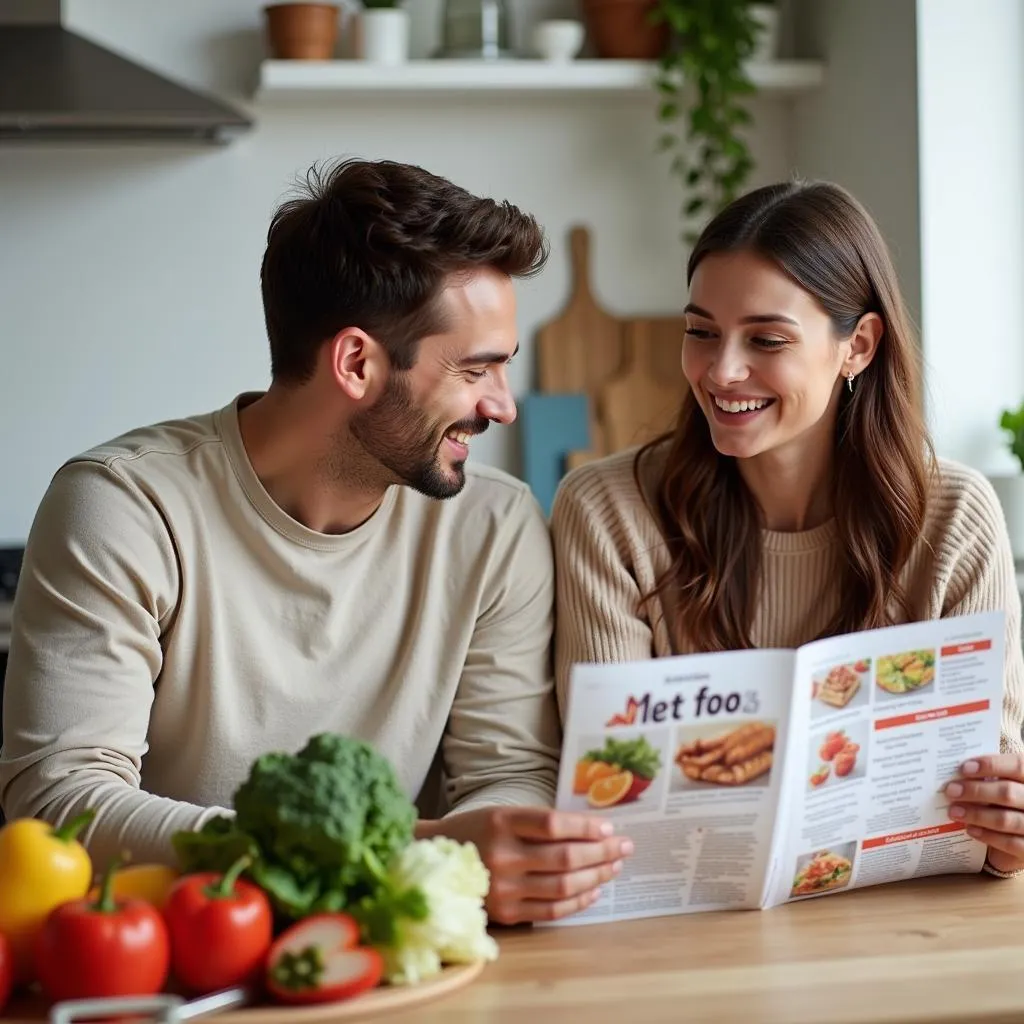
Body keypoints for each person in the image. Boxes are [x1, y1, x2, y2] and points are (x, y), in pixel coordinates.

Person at [0, 158, 632, 924]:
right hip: (173, 960)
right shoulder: (124, 506)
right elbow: (63, 806)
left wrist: (499, 848)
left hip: (397, 959)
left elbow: (508, 773)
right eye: (476, 370)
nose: (501, 406)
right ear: (357, 363)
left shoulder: (492, 526)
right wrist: (394, 857)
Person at [551, 180, 1024, 878]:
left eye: (765, 339)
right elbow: (616, 797)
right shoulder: (607, 509)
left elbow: (985, 813)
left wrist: (1008, 829)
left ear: (858, 345)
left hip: (893, 929)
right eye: (700, 332)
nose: (721, 371)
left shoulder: (955, 515)